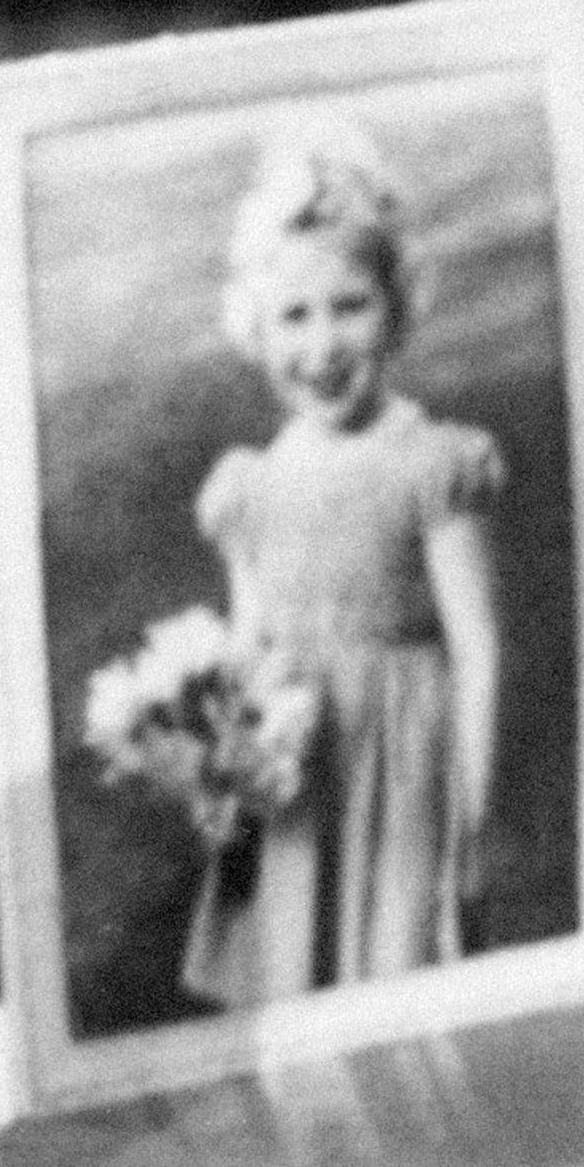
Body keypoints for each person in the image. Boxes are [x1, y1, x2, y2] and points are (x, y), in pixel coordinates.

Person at [175, 115, 507, 1010]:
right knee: (293, 985)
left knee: (398, 988)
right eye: (294, 316)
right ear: (257, 327)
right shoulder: (249, 487)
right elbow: (244, 656)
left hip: (403, 767)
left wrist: (470, 815)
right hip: (298, 783)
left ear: (395, 308)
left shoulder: (433, 463)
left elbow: (478, 652)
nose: (321, 348)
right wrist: (225, 773)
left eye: (349, 307)